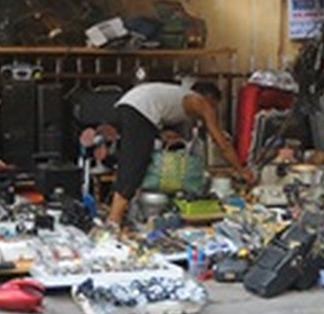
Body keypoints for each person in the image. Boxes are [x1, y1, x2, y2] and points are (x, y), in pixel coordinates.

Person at [107, 81, 256, 226]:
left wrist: (160, 134)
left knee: (130, 163)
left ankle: (124, 216)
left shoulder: (182, 96)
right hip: (139, 110)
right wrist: (240, 169)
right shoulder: (202, 103)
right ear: (209, 99)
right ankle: (113, 222)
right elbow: (221, 142)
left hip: (126, 104)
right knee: (135, 166)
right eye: (215, 105)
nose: (213, 110)